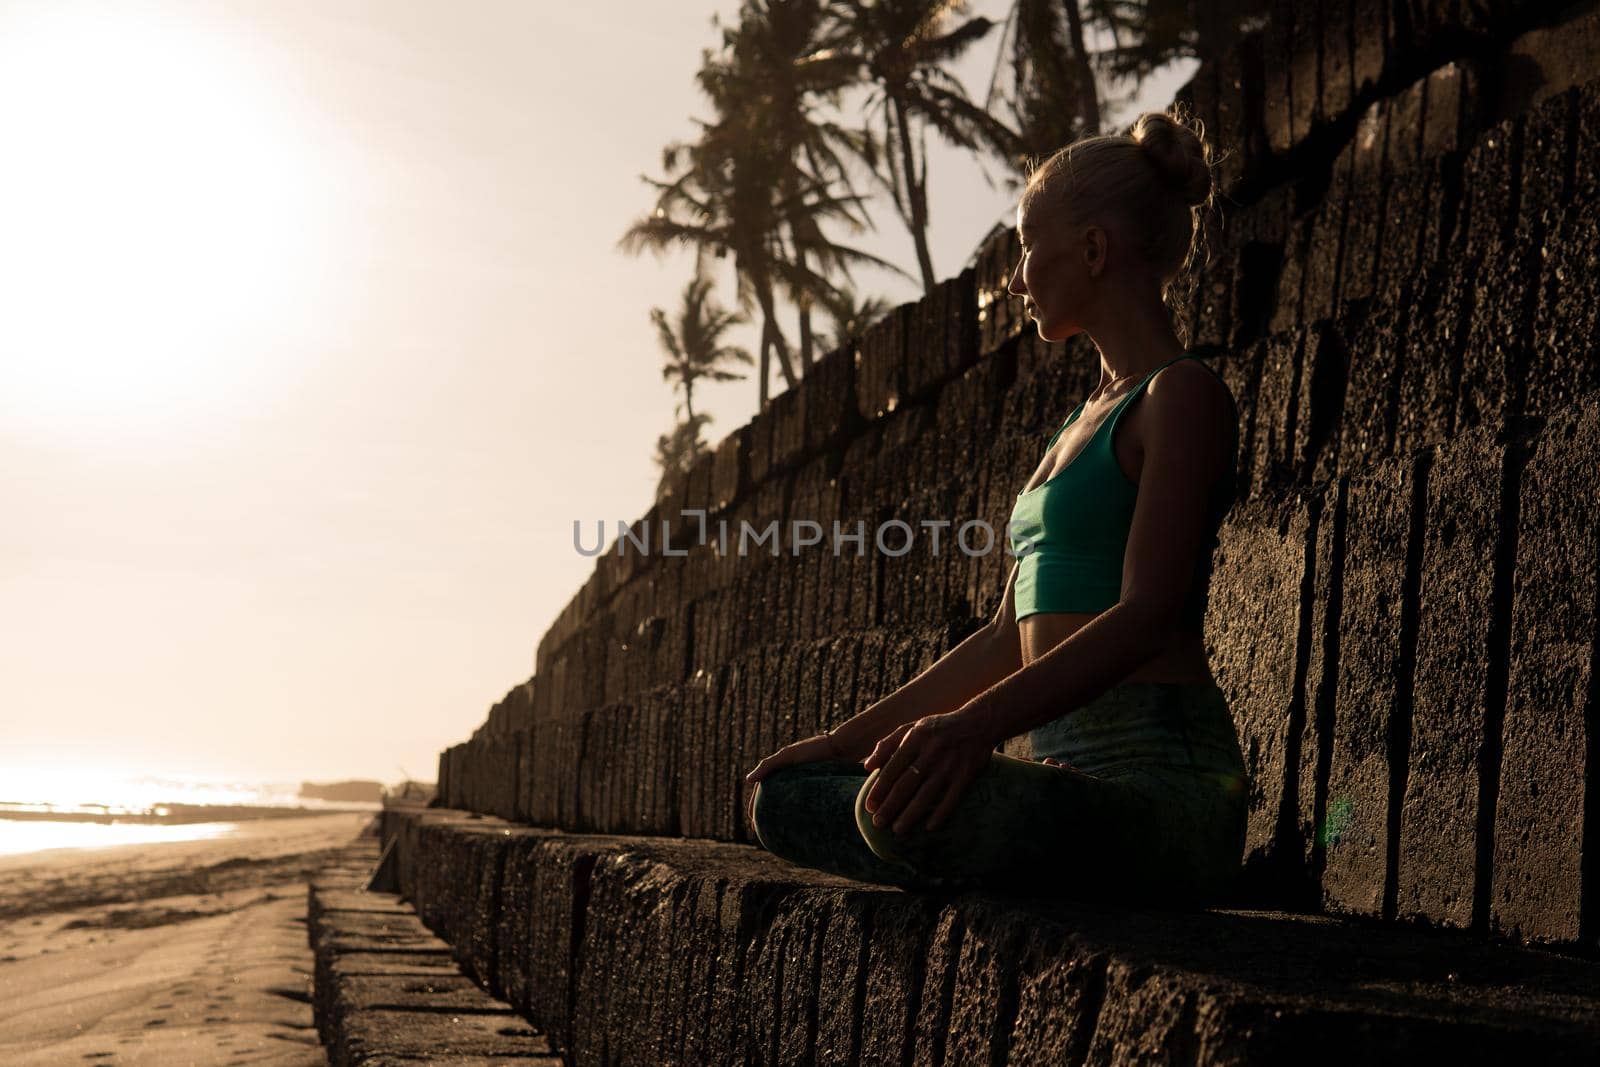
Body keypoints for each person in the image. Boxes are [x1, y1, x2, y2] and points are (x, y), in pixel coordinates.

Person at [743, 104, 1251, 909]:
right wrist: (842, 743)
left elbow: (1148, 614)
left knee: (896, 817)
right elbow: (1001, 639)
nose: (1014, 279)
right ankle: (1004, 826)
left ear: (1092, 250)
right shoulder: (1074, 428)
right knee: (789, 799)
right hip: (1056, 781)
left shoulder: (1179, 397)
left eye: (1024, 248)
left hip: (1161, 793)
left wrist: (974, 729)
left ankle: (1013, 830)